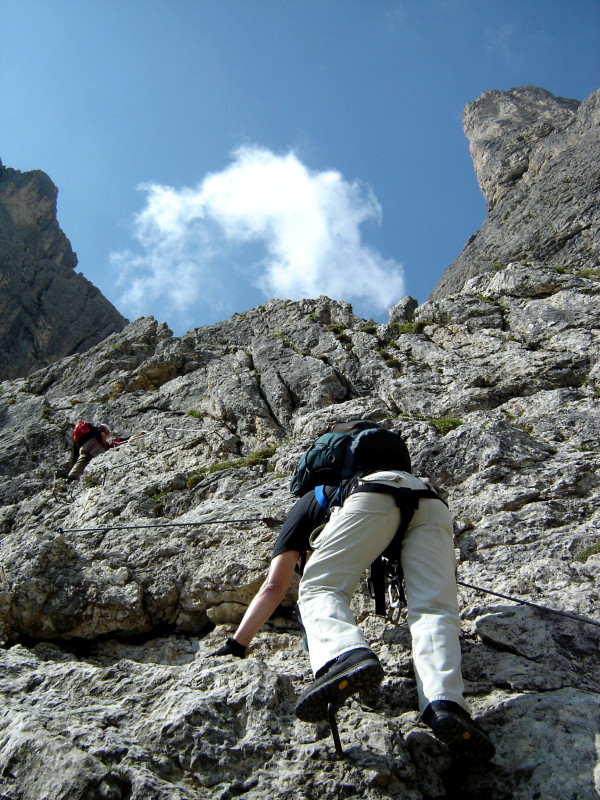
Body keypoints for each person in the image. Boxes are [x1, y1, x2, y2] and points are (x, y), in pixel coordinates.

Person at [294, 456, 496, 761]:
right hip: (430, 502)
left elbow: (278, 581)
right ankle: (444, 704)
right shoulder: (390, 464)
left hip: (373, 495)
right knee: (434, 608)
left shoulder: (312, 498)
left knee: (319, 587)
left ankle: (343, 654)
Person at [212, 486, 339, 659]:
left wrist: (236, 644)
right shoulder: (318, 506)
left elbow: (273, 587)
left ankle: (238, 644)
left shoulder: (298, 519)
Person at [67, 422, 144, 480]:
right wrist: (104, 447)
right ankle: (106, 475)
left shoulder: (91, 433)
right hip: (92, 444)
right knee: (103, 459)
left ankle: (72, 476)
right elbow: (103, 436)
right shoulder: (101, 430)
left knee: (83, 460)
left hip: (83, 447)